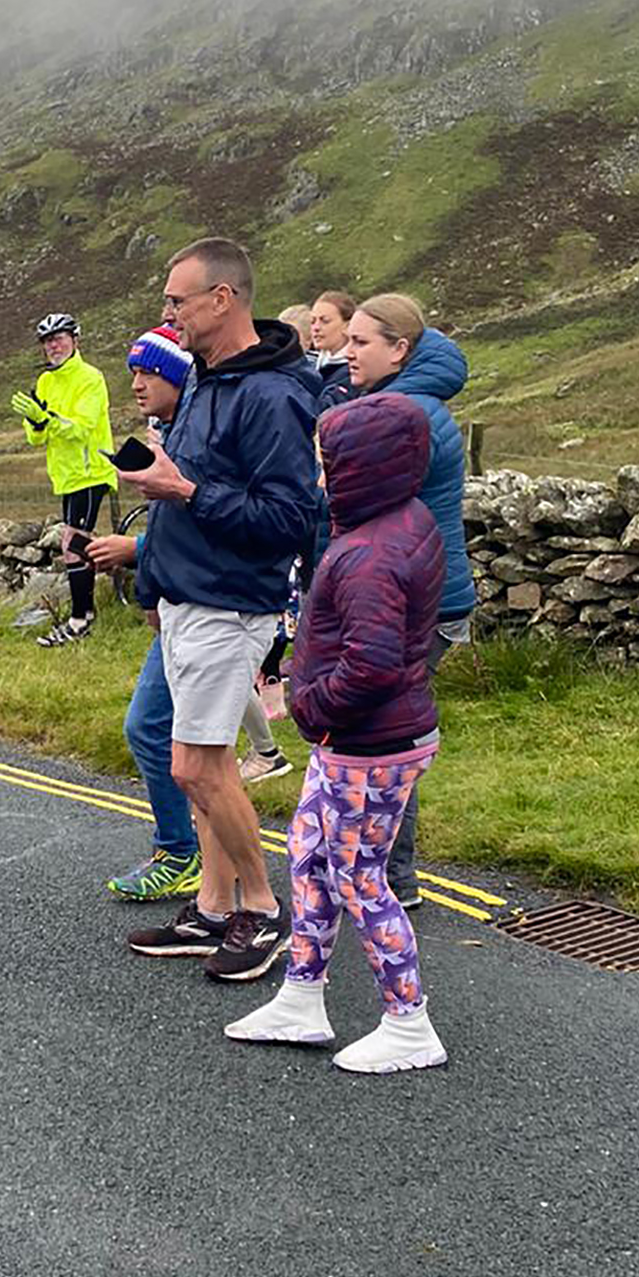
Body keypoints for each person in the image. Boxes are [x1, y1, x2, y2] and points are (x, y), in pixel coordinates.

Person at [112, 239, 323, 983]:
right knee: (211, 762)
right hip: (187, 595)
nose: (168, 313)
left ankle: (263, 911)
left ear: (223, 299)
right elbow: (196, 479)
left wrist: (188, 493)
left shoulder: (274, 394)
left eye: (178, 299)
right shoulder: (208, 377)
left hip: (227, 603)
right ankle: (210, 906)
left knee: (196, 766)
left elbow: (289, 518)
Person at [223, 391, 449, 1073]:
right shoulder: (400, 522)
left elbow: (373, 663)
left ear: (364, 465)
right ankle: (302, 996)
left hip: (368, 743)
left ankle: (409, 1022)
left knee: (357, 875)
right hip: (366, 738)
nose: (321, 476)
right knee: (311, 854)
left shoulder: (372, 553)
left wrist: (310, 704)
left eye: (329, 461)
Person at [82, 325, 288, 902]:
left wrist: (137, 551)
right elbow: (180, 528)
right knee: (197, 758)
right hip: (181, 603)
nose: (137, 383)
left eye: (149, 372)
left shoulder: (212, 429)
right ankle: (215, 898)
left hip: (215, 605)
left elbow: (233, 522)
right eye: (133, 371)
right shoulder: (172, 431)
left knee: (182, 752)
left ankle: (244, 893)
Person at [338, 291, 479, 906]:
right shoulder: (402, 401)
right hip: (421, 592)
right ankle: (385, 873)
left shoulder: (406, 417)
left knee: (380, 733)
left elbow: (351, 504)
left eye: (360, 342)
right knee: (380, 729)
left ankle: (388, 877)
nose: (346, 352)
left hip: (415, 599)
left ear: (400, 350)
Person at [10, 311, 119, 648]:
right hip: (66, 476)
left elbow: (81, 428)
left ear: (75, 340)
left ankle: (81, 618)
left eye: (59, 338)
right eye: (47, 341)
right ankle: (119, 560)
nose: (53, 345)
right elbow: (36, 438)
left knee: (71, 542)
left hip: (90, 471)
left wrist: (48, 418)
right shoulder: (45, 382)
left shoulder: (90, 377)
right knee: (77, 542)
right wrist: (37, 422)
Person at [307, 288, 360, 401]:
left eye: (325, 321)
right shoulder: (310, 365)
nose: (316, 328)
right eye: (312, 321)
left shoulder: (354, 371)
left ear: (347, 326)